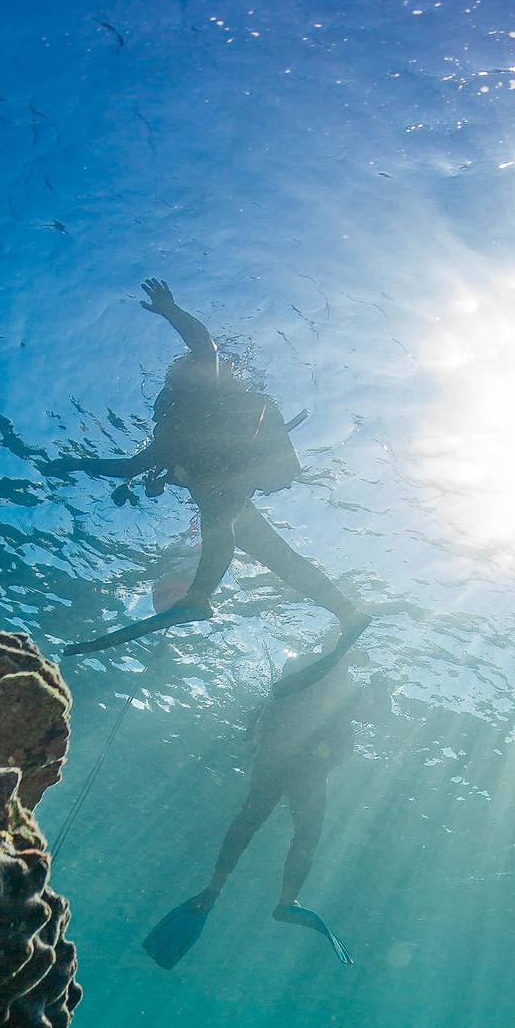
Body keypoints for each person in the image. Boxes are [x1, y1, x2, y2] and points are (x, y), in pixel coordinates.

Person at [53, 278, 364, 639]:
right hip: (235, 484)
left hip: (243, 470)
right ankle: (348, 613)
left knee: (217, 515)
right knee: (278, 557)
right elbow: (127, 467)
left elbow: (205, 346)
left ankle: (200, 596)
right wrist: (75, 464)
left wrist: (171, 311)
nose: (167, 386)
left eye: (173, 376)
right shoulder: (170, 438)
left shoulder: (201, 395)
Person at [142, 642, 385, 971]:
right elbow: (375, 715)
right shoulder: (340, 683)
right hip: (309, 768)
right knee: (306, 833)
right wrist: (381, 688)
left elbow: (271, 703)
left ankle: (216, 885)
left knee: (248, 821)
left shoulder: (302, 668)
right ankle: (287, 900)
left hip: (274, 759)